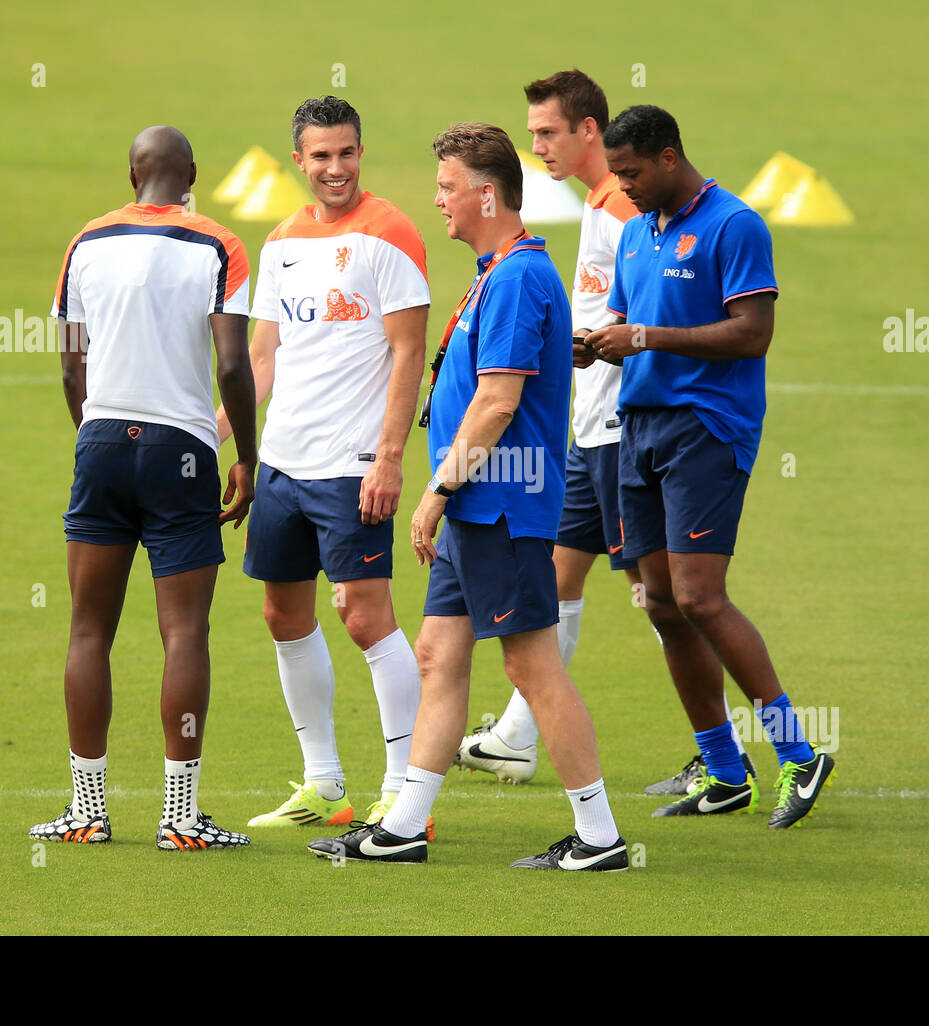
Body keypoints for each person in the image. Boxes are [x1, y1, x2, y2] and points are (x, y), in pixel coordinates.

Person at [307, 123, 626, 869]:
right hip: (480, 505)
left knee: (530, 666)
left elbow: (497, 403)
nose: (439, 200)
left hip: (500, 504)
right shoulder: (501, 268)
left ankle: (601, 836)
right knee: (437, 654)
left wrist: (436, 492)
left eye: (449, 187)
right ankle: (405, 826)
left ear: (487, 194)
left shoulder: (515, 277)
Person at [453, 70, 755, 795]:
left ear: (589, 129)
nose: (537, 147)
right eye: (531, 135)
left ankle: (726, 747)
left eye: (548, 133)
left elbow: (656, 320)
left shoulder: (631, 203)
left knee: (662, 596)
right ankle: (518, 738)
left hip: (628, 429)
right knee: (566, 573)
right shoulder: (601, 202)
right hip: (590, 430)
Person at [588, 105, 835, 827]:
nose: (624, 186)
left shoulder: (734, 224)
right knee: (660, 602)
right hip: (640, 427)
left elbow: (752, 334)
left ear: (669, 158)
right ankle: (726, 771)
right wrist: (597, 344)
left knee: (700, 596)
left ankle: (798, 753)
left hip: (707, 427)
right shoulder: (635, 234)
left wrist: (644, 335)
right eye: (616, 174)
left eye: (632, 172)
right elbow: (630, 328)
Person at [31, 125, 258, 850]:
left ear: (131, 174)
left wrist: (94, 437)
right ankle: (180, 817)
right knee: (184, 632)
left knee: (88, 629)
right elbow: (231, 366)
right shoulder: (219, 245)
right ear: (191, 172)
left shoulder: (84, 243)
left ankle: (86, 811)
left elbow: (71, 368)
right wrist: (246, 456)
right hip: (183, 451)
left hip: (100, 441)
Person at [214, 97, 431, 832]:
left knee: (365, 617)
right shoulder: (280, 242)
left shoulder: (391, 233)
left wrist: (391, 459)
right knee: (283, 614)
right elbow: (263, 357)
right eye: (320, 156)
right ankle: (325, 786)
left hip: (353, 464)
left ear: (360, 154)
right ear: (299, 161)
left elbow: (409, 354)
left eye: (346, 154)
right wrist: (229, 442)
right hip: (281, 462)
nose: (334, 168)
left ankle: (405, 793)